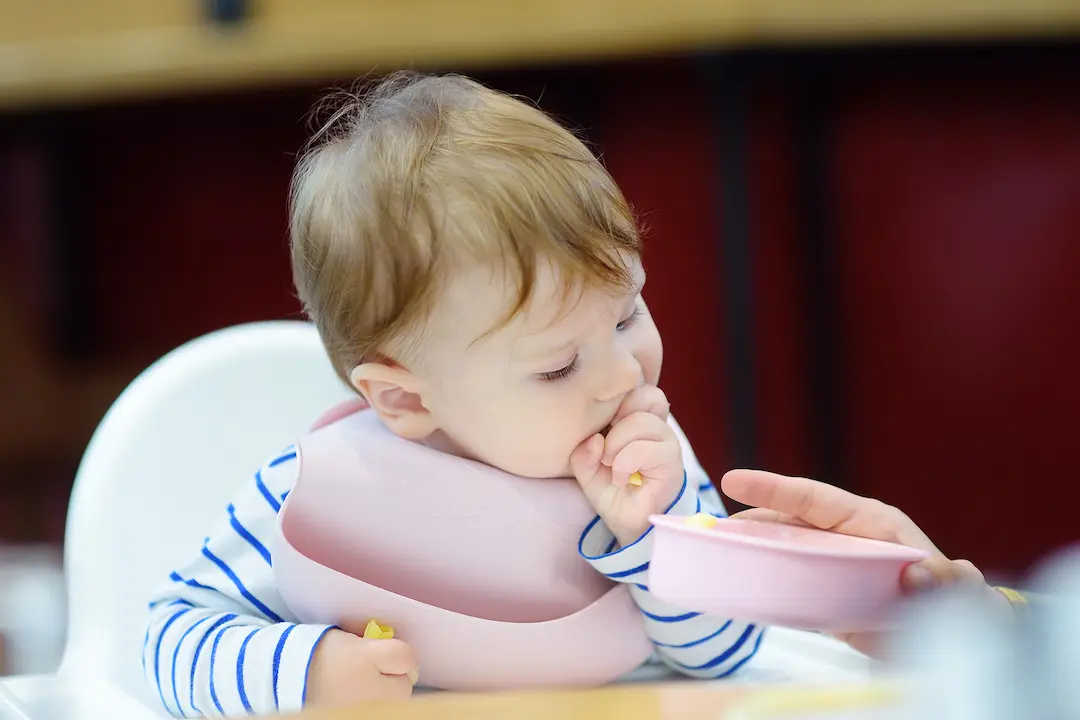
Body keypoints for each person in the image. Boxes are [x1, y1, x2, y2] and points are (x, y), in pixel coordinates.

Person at [142, 72, 1019, 718]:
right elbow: (167, 637)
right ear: (404, 400)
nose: (622, 374)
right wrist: (300, 669)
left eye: (630, 312)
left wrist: (654, 538)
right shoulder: (311, 501)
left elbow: (727, 655)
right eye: (557, 365)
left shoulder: (645, 472)